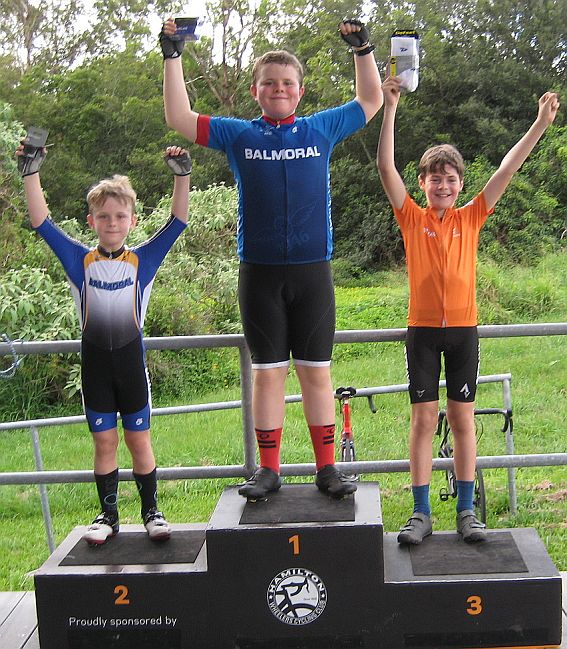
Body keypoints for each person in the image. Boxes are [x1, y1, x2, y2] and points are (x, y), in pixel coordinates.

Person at [160, 18, 383, 500]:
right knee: (267, 375)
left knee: (316, 373)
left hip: (312, 273)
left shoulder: (321, 128)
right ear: (255, 91)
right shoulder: (239, 135)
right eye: (269, 83)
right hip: (259, 275)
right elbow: (179, 116)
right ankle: (268, 470)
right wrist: (172, 55)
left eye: (286, 83)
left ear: (300, 91)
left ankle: (327, 469)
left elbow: (371, 100)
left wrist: (362, 50)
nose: (278, 89)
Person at [377, 76, 559, 543]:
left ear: (460, 184)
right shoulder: (411, 217)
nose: (442, 185)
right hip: (422, 332)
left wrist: (540, 124)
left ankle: (465, 511)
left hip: (463, 332)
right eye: (434, 179)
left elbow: (508, 168)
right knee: (422, 421)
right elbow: (385, 166)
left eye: (450, 179)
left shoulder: (472, 216)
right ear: (422, 183)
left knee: (462, 420)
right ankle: (420, 513)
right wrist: (390, 107)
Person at [16, 140, 192, 544]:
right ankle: (109, 516)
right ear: (91, 221)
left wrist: (182, 176)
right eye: (104, 216)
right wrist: (31, 173)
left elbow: (178, 221)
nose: (112, 223)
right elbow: (42, 223)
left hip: (130, 368)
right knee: (105, 442)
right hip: (96, 369)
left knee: (138, 440)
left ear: (132, 221)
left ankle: (151, 512)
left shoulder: (143, 260)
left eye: (120, 216)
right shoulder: (79, 261)